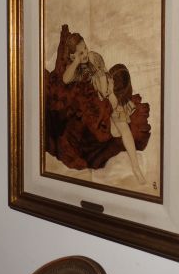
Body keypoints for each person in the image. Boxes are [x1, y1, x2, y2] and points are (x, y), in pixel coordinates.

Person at [60, 30, 146, 184]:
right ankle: (111, 127)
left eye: (85, 48)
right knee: (105, 126)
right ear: (73, 57)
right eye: (80, 53)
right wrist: (76, 62)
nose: (85, 53)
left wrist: (109, 92)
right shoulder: (76, 68)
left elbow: (103, 78)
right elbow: (65, 79)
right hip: (93, 102)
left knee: (123, 125)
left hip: (105, 91)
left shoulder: (94, 57)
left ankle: (136, 167)